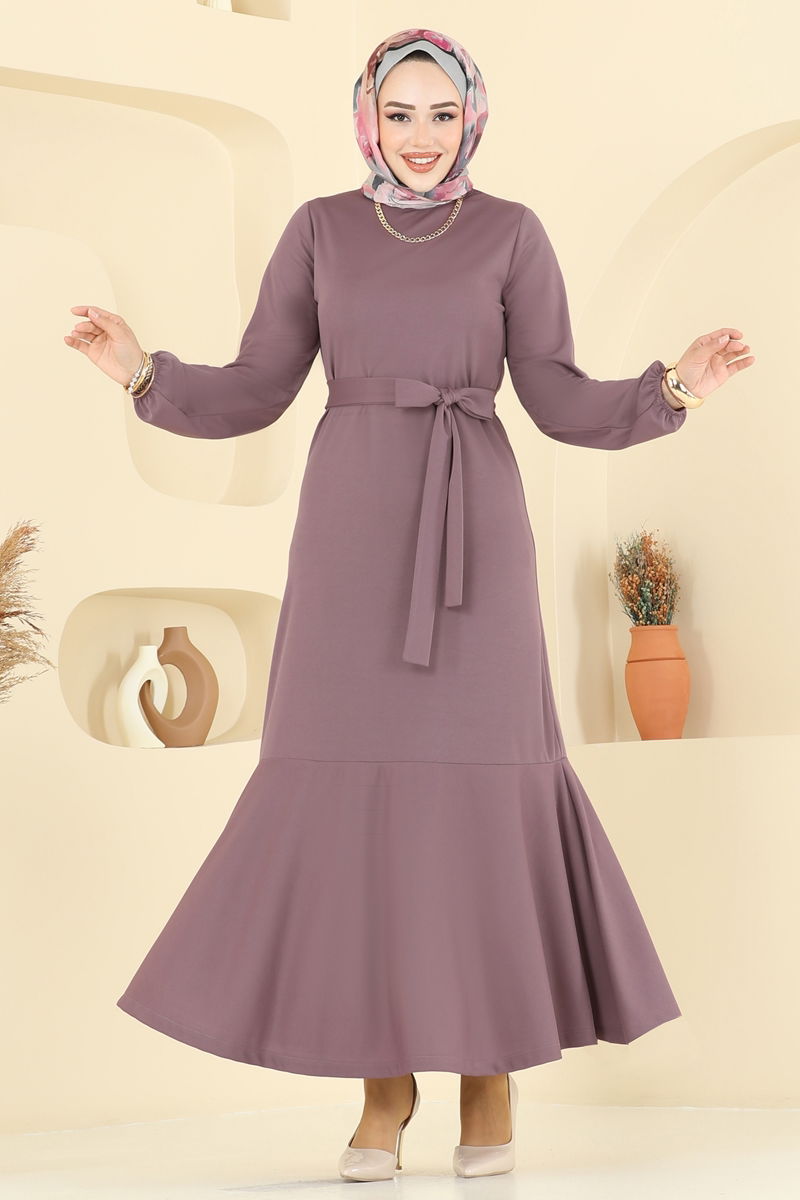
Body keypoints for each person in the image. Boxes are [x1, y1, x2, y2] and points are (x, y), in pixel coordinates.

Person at [65, 27, 754, 1185]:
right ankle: (381, 1090)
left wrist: (672, 388)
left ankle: (488, 1073)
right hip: (349, 530)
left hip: (474, 524)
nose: (420, 136)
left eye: (441, 114)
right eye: (399, 113)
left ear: (470, 119)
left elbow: (556, 397)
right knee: (346, 795)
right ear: (366, 119)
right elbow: (256, 386)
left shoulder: (511, 232)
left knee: (484, 791)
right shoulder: (319, 229)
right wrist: (143, 372)